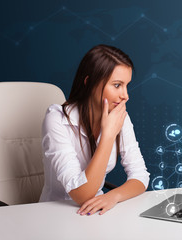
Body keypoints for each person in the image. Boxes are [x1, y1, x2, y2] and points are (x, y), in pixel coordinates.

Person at [39, 44, 150, 216]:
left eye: (126, 85)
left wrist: (113, 196)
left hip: (96, 211)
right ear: (89, 83)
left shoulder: (119, 116)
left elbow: (141, 176)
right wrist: (107, 135)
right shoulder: (57, 119)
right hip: (55, 214)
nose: (125, 95)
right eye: (117, 85)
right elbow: (81, 195)